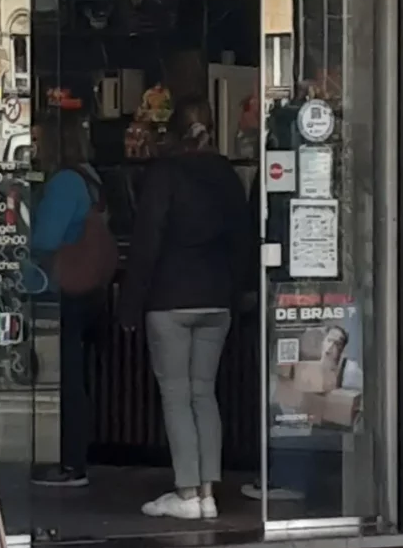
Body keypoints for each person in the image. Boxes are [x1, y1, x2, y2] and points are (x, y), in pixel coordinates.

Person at [120, 97, 256, 521]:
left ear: (174, 133)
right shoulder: (228, 177)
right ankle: (208, 493)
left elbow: (146, 245)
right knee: (204, 394)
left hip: (169, 300)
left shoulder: (165, 175)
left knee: (177, 396)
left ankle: (186, 492)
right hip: (218, 300)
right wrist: (241, 290)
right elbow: (245, 240)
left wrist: (130, 303)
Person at [29, 113, 115, 485]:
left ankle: (69, 463)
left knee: (66, 376)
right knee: (77, 374)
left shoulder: (64, 181)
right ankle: (76, 458)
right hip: (91, 288)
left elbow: (45, 239)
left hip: (65, 288)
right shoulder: (90, 176)